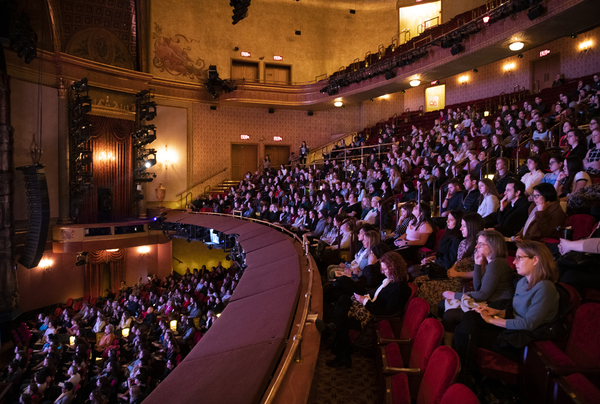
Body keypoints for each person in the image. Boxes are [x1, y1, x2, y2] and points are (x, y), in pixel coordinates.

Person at [453, 241, 560, 367]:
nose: (514, 262)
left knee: (464, 332)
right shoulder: (522, 283)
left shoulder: (545, 288)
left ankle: (463, 373)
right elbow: (517, 312)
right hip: (513, 327)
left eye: (519, 258)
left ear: (535, 260)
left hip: (523, 339)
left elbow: (528, 324)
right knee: (469, 318)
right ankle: (460, 371)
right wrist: (496, 312)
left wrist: (491, 321)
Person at [320, 251, 412, 368]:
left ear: (394, 267)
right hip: (369, 307)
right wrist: (365, 298)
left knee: (342, 319)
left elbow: (386, 311)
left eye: (385, 269)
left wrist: (365, 301)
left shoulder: (399, 287)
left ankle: (340, 350)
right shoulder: (391, 280)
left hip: (372, 317)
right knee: (343, 299)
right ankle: (333, 331)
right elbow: (377, 297)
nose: (382, 272)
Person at [439, 230, 514, 338]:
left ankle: (447, 347)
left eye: (481, 244)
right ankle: (439, 339)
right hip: (487, 302)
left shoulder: (497, 263)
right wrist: (477, 264)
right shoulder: (491, 262)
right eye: (477, 243)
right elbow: (478, 287)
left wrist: (455, 295)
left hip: (496, 306)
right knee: (443, 303)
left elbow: (482, 294)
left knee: (450, 314)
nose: (476, 247)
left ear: (493, 246)